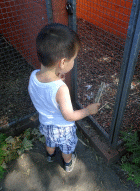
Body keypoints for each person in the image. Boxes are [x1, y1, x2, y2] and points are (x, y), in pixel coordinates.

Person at [28, 23, 100, 172]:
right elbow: (68, 116)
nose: (74, 61)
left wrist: (55, 77)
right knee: (67, 147)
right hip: (62, 128)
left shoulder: (33, 76)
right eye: (73, 58)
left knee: (50, 141)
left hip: (45, 123)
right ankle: (67, 164)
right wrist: (88, 110)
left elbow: (42, 93)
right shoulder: (61, 89)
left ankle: (50, 155)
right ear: (62, 62)